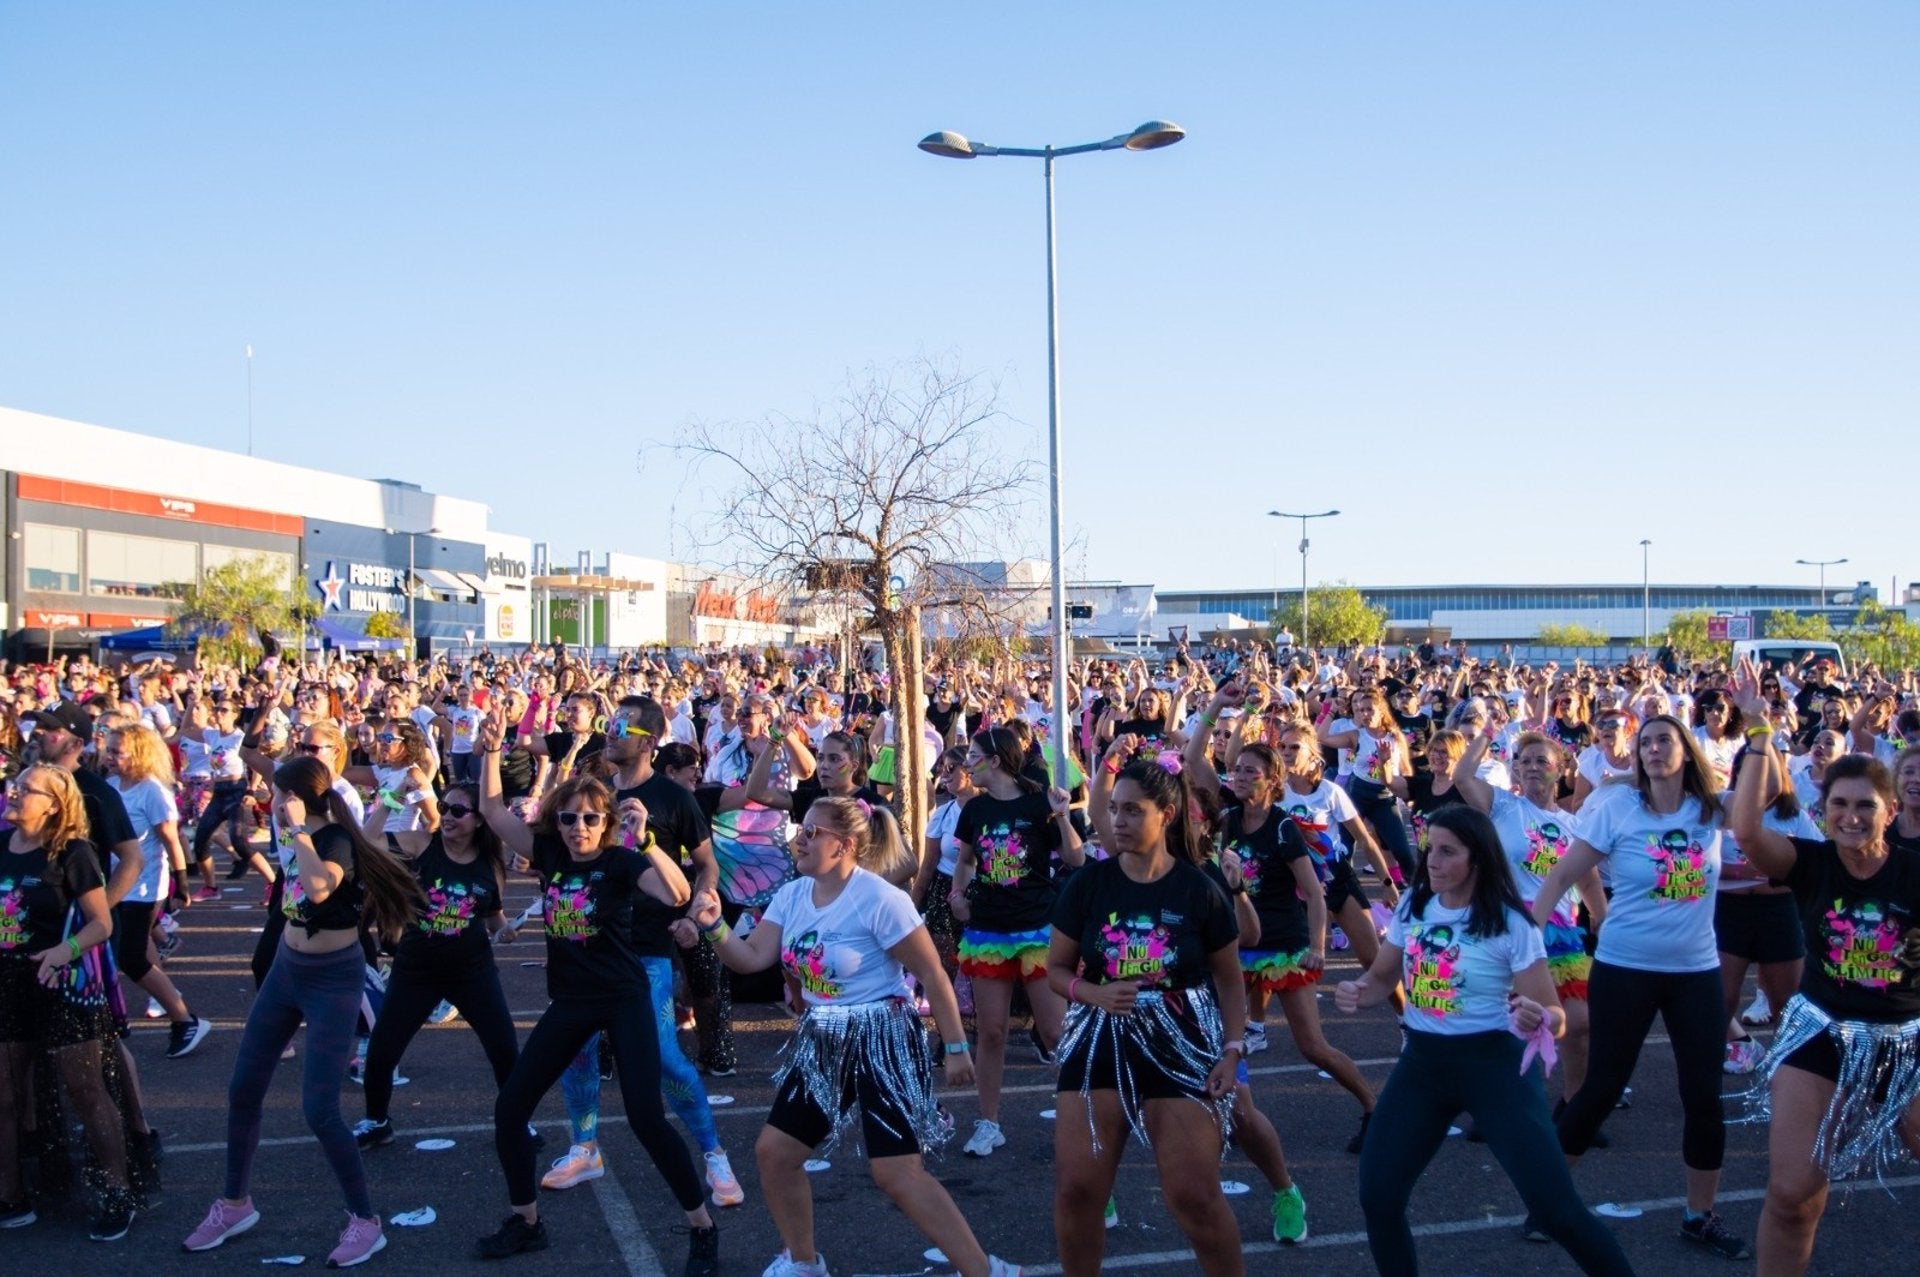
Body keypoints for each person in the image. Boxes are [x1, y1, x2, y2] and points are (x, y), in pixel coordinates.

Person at [691, 797, 1021, 1277]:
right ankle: (803, 1263)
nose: (799, 839)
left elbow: (933, 974)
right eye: (801, 829)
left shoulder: (880, 899)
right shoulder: (792, 895)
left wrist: (954, 1048)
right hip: (824, 1037)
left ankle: (986, 1271)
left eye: (811, 832)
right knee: (776, 1153)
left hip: (881, 1038)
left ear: (843, 846)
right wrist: (713, 926)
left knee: (896, 1173)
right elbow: (750, 958)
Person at [1335, 805, 1633, 1276]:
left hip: (1494, 1068)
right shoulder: (1415, 904)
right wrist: (1358, 991)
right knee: (1379, 1197)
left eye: (1447, 851)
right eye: (1430, 847)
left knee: (1557, 1210)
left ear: (1479, 859)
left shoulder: (1509, 923)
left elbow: (1555, 1016)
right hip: (1423, 1068)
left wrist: (1542, 1019)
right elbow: (1379, 979)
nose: (1431, 860)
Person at [471, 713, 720, 1274]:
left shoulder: (620, 860)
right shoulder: (553, 856)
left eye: (589, 818)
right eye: (568, 818)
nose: (578, 827)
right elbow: (490, 809)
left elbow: (680, 890)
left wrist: (649, 841)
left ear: (605, 822)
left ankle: (702, 1227)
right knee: (510, 1109)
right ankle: (526, 1221)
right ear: (555, 823)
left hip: (623, 996)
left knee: (645, 1118)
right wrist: (488, 752)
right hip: (572, 1001)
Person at [182, 755, 427, 1267]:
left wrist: (296, 829)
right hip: (286, 970)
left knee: (320, 1110)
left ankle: (365, 1221)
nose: (271, 802)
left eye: (278, 794)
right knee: (243, 1088)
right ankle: (234, 1204)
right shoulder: (316, 835)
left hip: (333, 978)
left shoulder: (331, 839)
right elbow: (313, 876)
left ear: (298, 798)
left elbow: (319, 887)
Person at [1532, 714, 1750, 1259]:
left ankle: (1700, 1215)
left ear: (1686, 751)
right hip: (1625, 967)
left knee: (1703, 1095)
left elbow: (1771, 804)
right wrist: (1524, 941)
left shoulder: (1712, 808)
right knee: (1602, 1087)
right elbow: (1561, 877)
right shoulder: (1618, 808)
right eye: (1646, 741)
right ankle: (1550, 1204)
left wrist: (1762, 730)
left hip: (1697, 973)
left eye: (1664, 740)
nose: (1653, 749)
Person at [539, 697, 744, 1209]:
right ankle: (584, 1146)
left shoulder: (674, 798)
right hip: (588, 949)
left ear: (649, 740)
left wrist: (696, 906)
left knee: (666, 1061)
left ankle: (714, 1153)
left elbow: (706, 864)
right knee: (580, 1053)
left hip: (648, 948)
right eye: (608, 727)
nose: (610, 735)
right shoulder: (595, 793)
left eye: (620, 728)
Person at [1048, 754, 1247, 1277]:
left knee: (1195, 1196)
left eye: (1133, 811)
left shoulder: (1198, 887)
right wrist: (1093, 993)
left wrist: (1233, 1049)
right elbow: (1055, 971)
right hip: (1098, 1039)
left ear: (1169, 813)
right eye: (1114, 810)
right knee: (1078, 1192)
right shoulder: (1089, 885)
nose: (1118, 822)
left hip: (1180, 1040)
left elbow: (1229, 978)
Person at [1729, 738, 1920, 1274]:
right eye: (1839, 804)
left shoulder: (1914, 872)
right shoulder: (1810, 863)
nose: (1851, 816)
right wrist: (1762, 736)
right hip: (1820, 1034)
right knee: (1792, 1195)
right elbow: (1745, 832)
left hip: (1907, 1040)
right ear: (1823, 809)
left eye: (1865, 805)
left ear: (1891, 810)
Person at [0, 765, 134, 1240]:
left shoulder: (73, 852)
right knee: (7, 1095)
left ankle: (118, 1192)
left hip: (64, 982)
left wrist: (63, 951)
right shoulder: (2, 846)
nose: (13, 792)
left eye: (25, 789)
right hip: (9, 983)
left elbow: (101, 924)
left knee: (86, 1090)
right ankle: (11, 1195)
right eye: (13, 785)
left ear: (54, 804)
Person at [351, 781, 519, 1148]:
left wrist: (505, 931)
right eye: (444, 807)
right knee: (383, 1049)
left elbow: (493, 916)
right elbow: (365, 842)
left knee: (504, 1047)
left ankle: (516, 1121)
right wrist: (391, 799)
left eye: (459, 811)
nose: (447, 816)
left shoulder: (490, 863)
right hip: (417, 968)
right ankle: (376, 1120)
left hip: (472, 971)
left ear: (479, 820)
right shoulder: (420, 845)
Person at [947, 726, 1081, 1158]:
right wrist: (957, 895)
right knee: (990, 1033)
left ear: (996, 760)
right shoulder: (975, 809)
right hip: (989, 930)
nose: (966, 763)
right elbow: (965, 863)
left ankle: (1079, 1114)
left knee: (1055, 1031)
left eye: (972, 755)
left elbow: (1076, 858)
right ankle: (988, 1123)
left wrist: (1061, 814)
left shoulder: (1041, 801)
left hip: (1038, 929)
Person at [1453, 729, 1606, 1106]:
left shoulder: (1575, 825)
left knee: (1579, 1023)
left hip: (1560, 933)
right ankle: (1494, 1103)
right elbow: (1462, 777)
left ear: (1560, 770)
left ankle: (1573, 1106)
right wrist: (1487, 732)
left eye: (1542, 761)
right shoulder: (1502, 806)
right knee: (1502, 1021)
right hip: (1504, 926)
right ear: (1515, 771)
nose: (1532, 768)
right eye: (1524, 762)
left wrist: (1603, 916)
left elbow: (1586, 877)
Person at [103, 724, 212, 1058]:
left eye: (116, 752)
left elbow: (171, 840)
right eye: (108, 750)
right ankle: (167, 995)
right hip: (116, 883)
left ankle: (185, 1019)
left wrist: (182, 885)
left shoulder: (152, 791)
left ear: (138, 755)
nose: (108, 757)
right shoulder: (110, 786)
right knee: (139, 949)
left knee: (130, 957)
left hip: (146, 886)